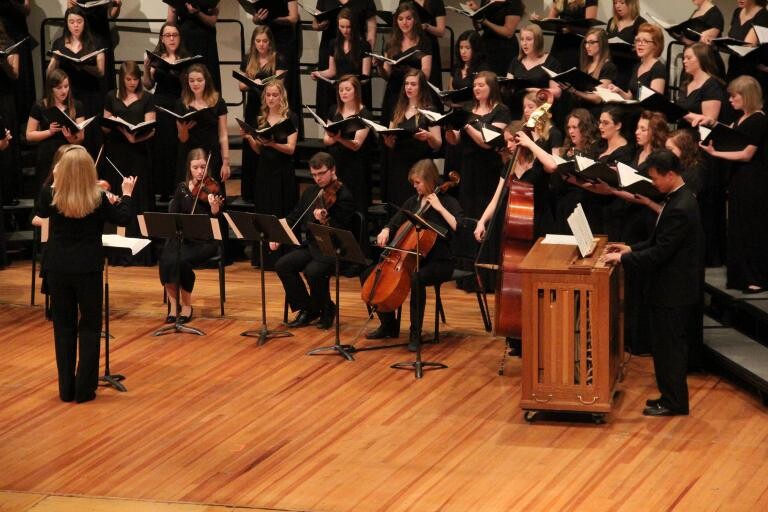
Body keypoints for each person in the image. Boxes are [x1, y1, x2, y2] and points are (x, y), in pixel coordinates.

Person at [603, 149, 704, 417]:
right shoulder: (676, 199)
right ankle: (668, 397)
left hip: (673, 291)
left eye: (656, 178)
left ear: (671, 175)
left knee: (669, 349)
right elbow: (657, 241)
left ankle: (674, 403)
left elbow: (661, 253)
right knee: (664, 347)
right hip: (669, 288)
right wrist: (629, 249)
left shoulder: (681, 207)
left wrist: (624, 260)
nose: (654, 184)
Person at [35, 145, 136, 403]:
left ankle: (66, 390)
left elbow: (41, 210)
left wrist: (56, 179)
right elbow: (124, 217)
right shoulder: (98, 197)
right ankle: (84, 390)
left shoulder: (50, 194)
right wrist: (126, 194)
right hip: (88, 268)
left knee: (63, 328)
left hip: (58, 268)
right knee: (90, 327)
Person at [364, 159, 462, 350]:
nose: (415, 187)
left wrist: (439, 207)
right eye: (413, 183)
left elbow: (458, 226)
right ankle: (388, 325)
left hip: (439, 261)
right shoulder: (413, 201)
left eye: (418, 183)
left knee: (416, 279)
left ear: (430, 180)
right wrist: (385, 229)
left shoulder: (448, 201)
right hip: (411, 259)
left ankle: (415, 334)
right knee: (368, 274)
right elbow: (395, 220)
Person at [700, 75, 768, 293]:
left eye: (734, 96)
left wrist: (715, 152)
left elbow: (747, 154)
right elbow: (728, 135)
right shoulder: (741, 119)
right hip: (739, 179)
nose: (730, 100)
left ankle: (756, 276)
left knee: (752, 227)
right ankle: (740, 276)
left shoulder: (758, 119)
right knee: (737, 226)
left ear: (746, 96)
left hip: (754, 180)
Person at [272, 152, 356, 330]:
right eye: (314, 175)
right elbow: (294, 216)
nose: (317, 179)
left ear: (333, 170)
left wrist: (326, 220)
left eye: (321, 174)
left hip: (333, 248)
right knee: (283, 265)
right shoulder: (310, 192)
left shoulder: (344, 195)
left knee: (313, 272)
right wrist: (278, 234)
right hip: (312, 245)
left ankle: (326, 309)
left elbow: (342, 229)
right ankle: (308, 308)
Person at [158, 148, 224, 325]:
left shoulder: (213, 188)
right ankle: (174, 306)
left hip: (205, 242)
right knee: (166, 258)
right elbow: (172, 217)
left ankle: (187, 306)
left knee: (180, 260)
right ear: (189, 168)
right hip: (182, 239)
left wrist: (214, 209)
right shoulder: (181, 189)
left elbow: (217, 222)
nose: (200, 171)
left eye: (203, 167)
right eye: (196, 167)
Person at [101, 61, 156, 265]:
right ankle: (118, 253)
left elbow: (151, 128)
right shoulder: (111, 96)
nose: (132, 83)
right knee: (117, 197)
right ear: (122, 79)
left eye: (135, 79)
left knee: (138, 197)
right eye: (128, 79)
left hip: (138, 153)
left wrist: (135, 138)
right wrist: (114, 123)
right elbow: (105, 128)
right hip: (116, 153)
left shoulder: (147, 98)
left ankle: (141, 255)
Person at [446, 70, 510, 220]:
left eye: (481, 85)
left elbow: (488, 142)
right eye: (474, 85)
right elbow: (455, 140)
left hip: (489, 169)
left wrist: (467, 125)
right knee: (467, 212)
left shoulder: (501, 111)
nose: (476, 88)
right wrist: (448, 127)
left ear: (492, 87)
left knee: (485, 211)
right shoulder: (467, 109)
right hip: (468, 167)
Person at [47, 6, 106, 156]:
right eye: (71, 22)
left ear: (84, 22)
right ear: (66, 24)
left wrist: (84, 65)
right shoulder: (60, 43)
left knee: (90, 134)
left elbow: (101, 71)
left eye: (79, 21)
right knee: (71, 134)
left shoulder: (95, 42)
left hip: (90, 93)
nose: (75, 25)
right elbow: (49, 74)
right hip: (68, 95)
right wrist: (56, 58)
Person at [143, 22, 191, 200]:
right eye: (167, 35)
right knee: (162, 146)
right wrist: (146, 68)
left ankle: (178, 188)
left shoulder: (186, 57)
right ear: (162, 38)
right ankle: (163, 189)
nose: (171, 38)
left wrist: (181, 75)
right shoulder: (156, 57)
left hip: (180, 103)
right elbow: (148, 85)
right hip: (161, 104)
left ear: (180, 37)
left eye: (175, 35)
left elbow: (190, 85)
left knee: (177, 146)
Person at [239, 25, 287, 203]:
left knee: (265, 146)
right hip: (253, 107)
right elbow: (241, 85)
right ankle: (250, 192)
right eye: (258, 41)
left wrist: (265, 85)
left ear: (270, 42)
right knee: (251, 146)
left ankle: (267, 191)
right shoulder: (249, 59)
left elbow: (280, 83)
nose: (261, 44)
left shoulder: (278, 58)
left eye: (264, 41)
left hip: (270, 107)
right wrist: (253, 82)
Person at [381, 69, 441, 208]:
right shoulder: (398, 108)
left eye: (413, 84)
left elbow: (438, 143)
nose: (409, 87)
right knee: (398, 204)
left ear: (421, 87)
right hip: (398, 164)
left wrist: (429, 136)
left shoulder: (430, 110)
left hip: (419, 165)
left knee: (416, 204)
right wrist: (388, 140)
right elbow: (390, 135)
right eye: (407, 84)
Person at [26, 69, 85, 191]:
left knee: (69, 191)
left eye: (66, 86)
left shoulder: (77, 105)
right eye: (59, 88)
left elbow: (81, 137)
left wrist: (70, 138)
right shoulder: (40, 105)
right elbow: (29, 135)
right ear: (51, 89)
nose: (64, 91)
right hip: (47, 154)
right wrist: (49, 131)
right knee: (46, 190)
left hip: (69, 153)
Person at [375, 2, 432, 125]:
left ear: (415, 20)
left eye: (408, 18)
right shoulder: (391, 43)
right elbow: (386, 76)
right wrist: (379, 65)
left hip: (414, 93)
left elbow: (426, 74)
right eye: (400, 19)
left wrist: (410, 73)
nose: (404, 23)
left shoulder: (424, 42)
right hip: (394, 92)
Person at [322, 74, 373, 212]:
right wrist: (334, 138)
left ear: (356, 91)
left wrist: (338, 139)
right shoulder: (333, 110)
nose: (343, 93)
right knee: (334, 203)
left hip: (354, 165)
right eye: (341, 90)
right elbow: (325, 139)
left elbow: (356, 144)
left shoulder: (365, 114)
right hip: (335, 163)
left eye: (347, 89)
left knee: (353, 203)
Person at [175, 64, 231, 187]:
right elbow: (182, 138)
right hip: (189, 153)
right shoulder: (181, 104)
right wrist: (184, 129)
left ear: (206, 81)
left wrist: (225, 162)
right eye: (192, 80)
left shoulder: (218, 102)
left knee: (212, 193)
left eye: (199, 80)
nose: (195, 84)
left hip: (211, 152)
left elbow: (223, 134)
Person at [311, 7, 374, 112]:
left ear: (354, 26)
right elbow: (332, 71)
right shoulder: (333, 44)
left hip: (356, 94)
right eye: (342, 27)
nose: (345, 30)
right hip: (339, 93)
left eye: (348, 27)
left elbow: (365, 77)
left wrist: (350, 84)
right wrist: (319, 74)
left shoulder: (363, 45)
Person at [505, 23, 562, 120]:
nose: (524, 43)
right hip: (517, 111)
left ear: (538, 41)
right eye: (522, 39)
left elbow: (557, 92)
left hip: (540, 111)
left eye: (528, 39)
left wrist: (536, 91)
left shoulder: (551, 62)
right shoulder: (516, 61)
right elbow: (508, 83)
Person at [167, 0, 221, 92]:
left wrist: (198, 12)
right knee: (185, 71)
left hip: (205, 38)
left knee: (208, 71)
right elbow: (170, 23)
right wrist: (174, 9)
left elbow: (212, 21)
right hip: (185, 36)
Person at [464, 0, 524, 77]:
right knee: (484, 77)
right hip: (485, 44)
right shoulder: (486, 1)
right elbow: (478, 27)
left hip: (503, 48)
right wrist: (475, 13)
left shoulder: (513, 2)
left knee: (499, 81)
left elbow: (508, 32)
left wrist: (485, 21)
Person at [607, 22, 666, 100]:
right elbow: (630, 96)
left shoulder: (658, 68)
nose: (640, 44)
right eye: (638, 40)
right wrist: (618, 91)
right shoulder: (637, 66)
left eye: (645, 41)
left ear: (656, 45)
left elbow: (655, 102)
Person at [676, 42, 725, 129]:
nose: (684, 61)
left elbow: (708, 121)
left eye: (689, 58)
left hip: (697, 137)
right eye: (684, 58)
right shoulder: (686, 83)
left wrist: (682, 113)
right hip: (681, 134)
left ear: (701, 59)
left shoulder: (712, 86)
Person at [543, 0, 599, 71]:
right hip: (559, 43)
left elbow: (590, 24)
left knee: (571, 76)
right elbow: (550, 19)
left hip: (577, 44)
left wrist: (571, 29)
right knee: (552, 72)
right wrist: (540, 21)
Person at [605, 0, 644, 91]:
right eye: (615, 3)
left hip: (629, 68)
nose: (617, 6)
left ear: (632, 4)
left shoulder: (640, 23)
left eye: (622, 3)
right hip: (612, 66)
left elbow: (643, 48)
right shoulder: (612, 21)